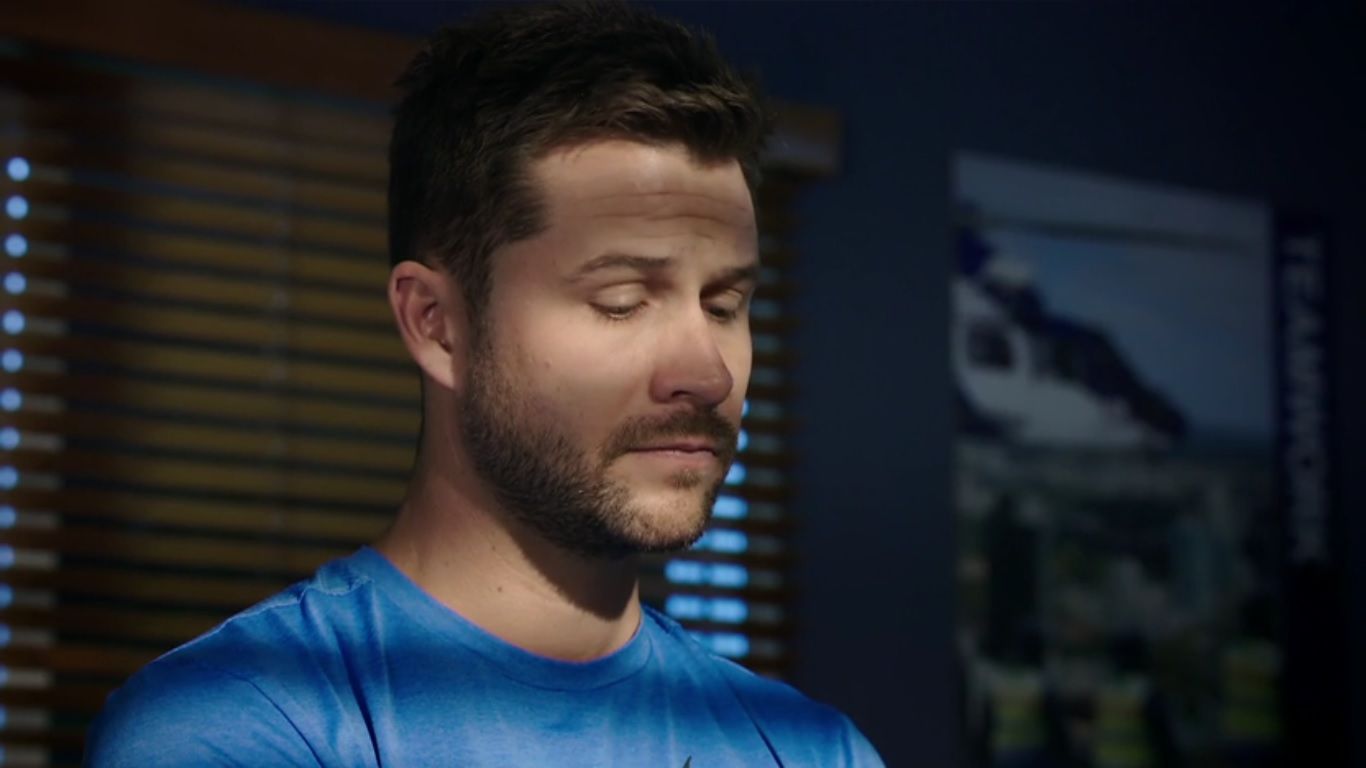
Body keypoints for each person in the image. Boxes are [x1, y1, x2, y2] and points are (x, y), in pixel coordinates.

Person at [84, 2, 883, 765]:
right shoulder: (239, 726)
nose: (708, 372)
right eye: (622, 300)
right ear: (437, 323)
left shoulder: (812, 750)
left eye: (724, 305)